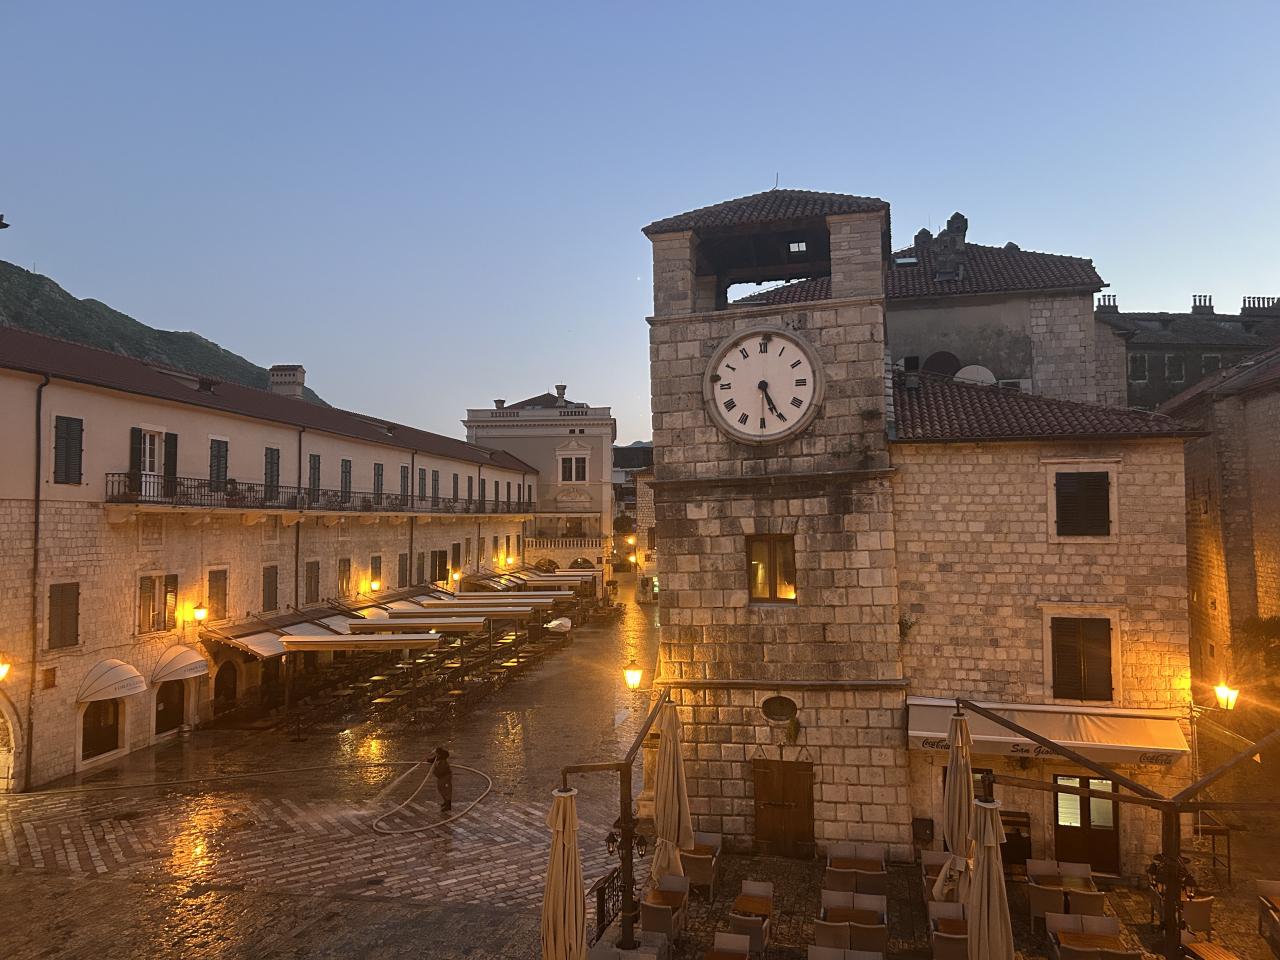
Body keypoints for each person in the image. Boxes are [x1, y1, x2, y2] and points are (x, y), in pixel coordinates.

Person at [431, 746, 453, 812]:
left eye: (436, 753)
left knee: (445, 790)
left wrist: (435, 772)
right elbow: (432, 760)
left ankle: (448, 805)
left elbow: (441, 771)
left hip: (445, 777)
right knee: (441, 789)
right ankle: (446, 802)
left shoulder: (442, 761)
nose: (435, 754)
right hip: (441, 777)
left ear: (439, 754)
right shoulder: (437, 758)